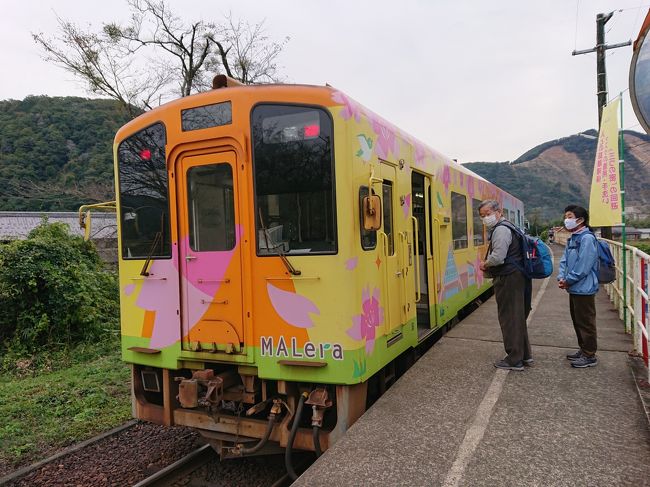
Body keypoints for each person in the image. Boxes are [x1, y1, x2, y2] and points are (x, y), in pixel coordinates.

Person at [479, 200, 533, 371]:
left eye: (488, 214)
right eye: (482, 216)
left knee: (509, 318)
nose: (485, 218)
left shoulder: (501, 230)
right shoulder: (510, 226)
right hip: (516, 276)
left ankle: (514, 359)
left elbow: (498, 257)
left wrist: (485, 264)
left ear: (498, 211)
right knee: (516, 317)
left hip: (508, 278)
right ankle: (524, 355)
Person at [557, 205, 599, 368]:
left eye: (569, 216)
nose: (566, 220)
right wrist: (562, 277)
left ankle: (590, 355)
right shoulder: (573, 237)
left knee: (586, 321)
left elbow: (584, 265)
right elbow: (564, 260)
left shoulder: (587, 238)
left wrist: (569, 280)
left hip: (584, 288)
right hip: (574, 286)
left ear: (580, 220)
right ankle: (584, 349)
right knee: (578, 320)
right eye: (566, 216)